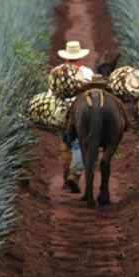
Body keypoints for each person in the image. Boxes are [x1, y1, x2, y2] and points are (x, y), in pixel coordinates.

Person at [57, 40, 94, 187]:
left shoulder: (59, 71)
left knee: (66, 143)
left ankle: (67, 176)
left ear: (66, 57)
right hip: (84, 110)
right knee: (79, 144)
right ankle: (75, 174)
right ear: (81, 58)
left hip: (64, 110)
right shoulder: (87, 72)